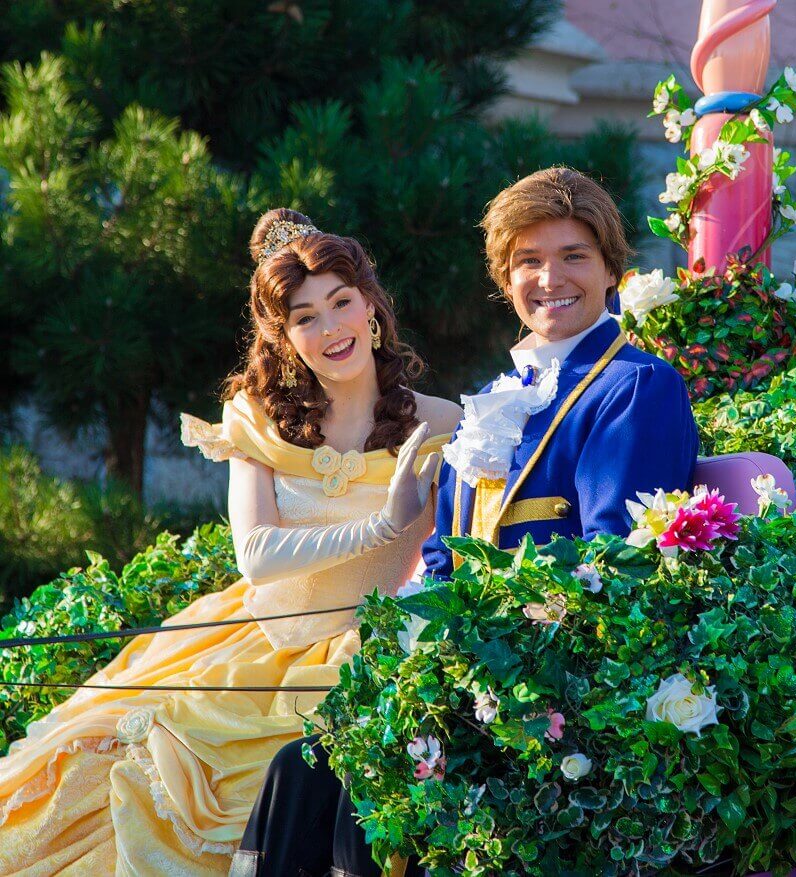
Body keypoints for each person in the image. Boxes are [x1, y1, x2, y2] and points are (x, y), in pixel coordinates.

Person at [233, 167, 700, 877]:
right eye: (528, 261)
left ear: (612, 269)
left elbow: (614, 565)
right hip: (470, 674)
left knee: (358, 772)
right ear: (505, 280)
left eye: (574, 255)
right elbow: (445, 562)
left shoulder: (634, 387)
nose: (550, 278)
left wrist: (472, 651)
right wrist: (403, 647)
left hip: (555, 687)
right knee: (300, 768)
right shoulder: (495, 399)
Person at [0, 209, 462, 876]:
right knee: (112, 766)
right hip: (256, 645)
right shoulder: (257, 418)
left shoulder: (444, 424)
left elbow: (456, 559)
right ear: (284, 336)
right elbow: (258, 555)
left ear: (371, 306)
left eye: (341, 302)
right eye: (305, 317)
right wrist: (384, 526)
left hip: (368, 654)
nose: (331, 329)